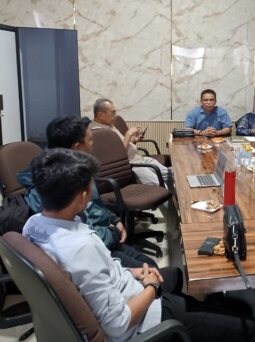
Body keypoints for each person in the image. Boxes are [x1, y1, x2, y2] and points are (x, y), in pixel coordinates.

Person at [23, 148, 255, 342]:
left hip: (128, 289)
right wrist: (150, 287)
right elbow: (117, 326)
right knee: (250, 329)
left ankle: (196, 317)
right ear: (82, 196)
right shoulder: (81, 247)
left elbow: (84, 276)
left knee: (176, 274)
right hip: (142, 321)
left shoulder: (34, 224)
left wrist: (132, 271)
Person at [17, 115, 157, 269]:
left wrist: (114, 219)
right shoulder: (52, 183)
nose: (92, 145)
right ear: (76, 147)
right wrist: (113, 233)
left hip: (104, 236)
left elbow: (94, 204)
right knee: (151, 271)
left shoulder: (77, 165)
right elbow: (79, 234)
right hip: (91, 251)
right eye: (90, 140)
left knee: (150, 265)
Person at [91, 99, 179, 239]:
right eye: (112, 113)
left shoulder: (108, 125)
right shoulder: (97, 132)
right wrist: (128, 134)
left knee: (175, 176)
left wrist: (133, 140)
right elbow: (117, 155)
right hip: (132, 166)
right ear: (101, 114)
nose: (115, 116)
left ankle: (181, 214)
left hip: (140, 158)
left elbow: (122, 146)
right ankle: (176, 229)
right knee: (162, 188)